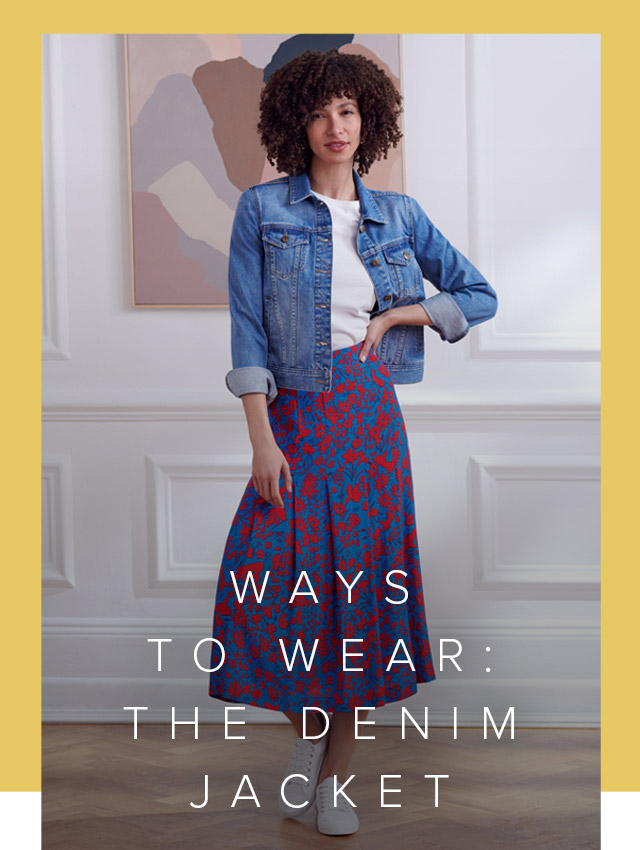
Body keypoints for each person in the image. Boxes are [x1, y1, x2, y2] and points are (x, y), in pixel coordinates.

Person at [208, 48, 498, 836]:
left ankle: (332, 781)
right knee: (289, 599)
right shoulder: (261, 210)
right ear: (293, 122)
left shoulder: (399, 216)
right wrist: (263, 443)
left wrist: (403, 315)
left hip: (370, 425)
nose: (335, 126)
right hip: (296, 425)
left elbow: (479, 293)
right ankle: (306, 762)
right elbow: (246, 334)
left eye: (348, 111)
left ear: (366, 121)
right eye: (319, 111)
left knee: (360, 603)